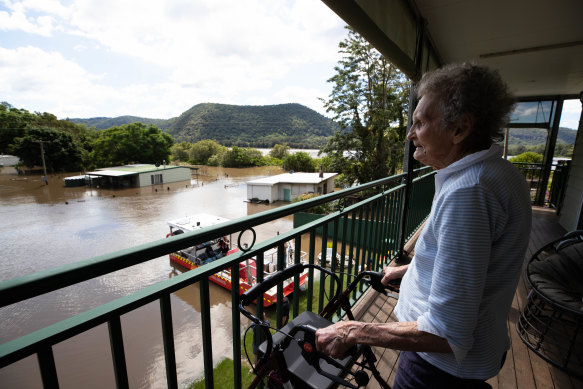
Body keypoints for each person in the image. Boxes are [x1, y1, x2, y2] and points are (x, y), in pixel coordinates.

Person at [315, 63, 532, 389]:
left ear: (460, 129)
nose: (410, 134)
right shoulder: (497, 171)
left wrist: (353, 330)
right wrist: (411, 270)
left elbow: (446, 331)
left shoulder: (469, 193)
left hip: (437, 369)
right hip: (473, 353)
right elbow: (472, 263)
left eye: (419, 122)